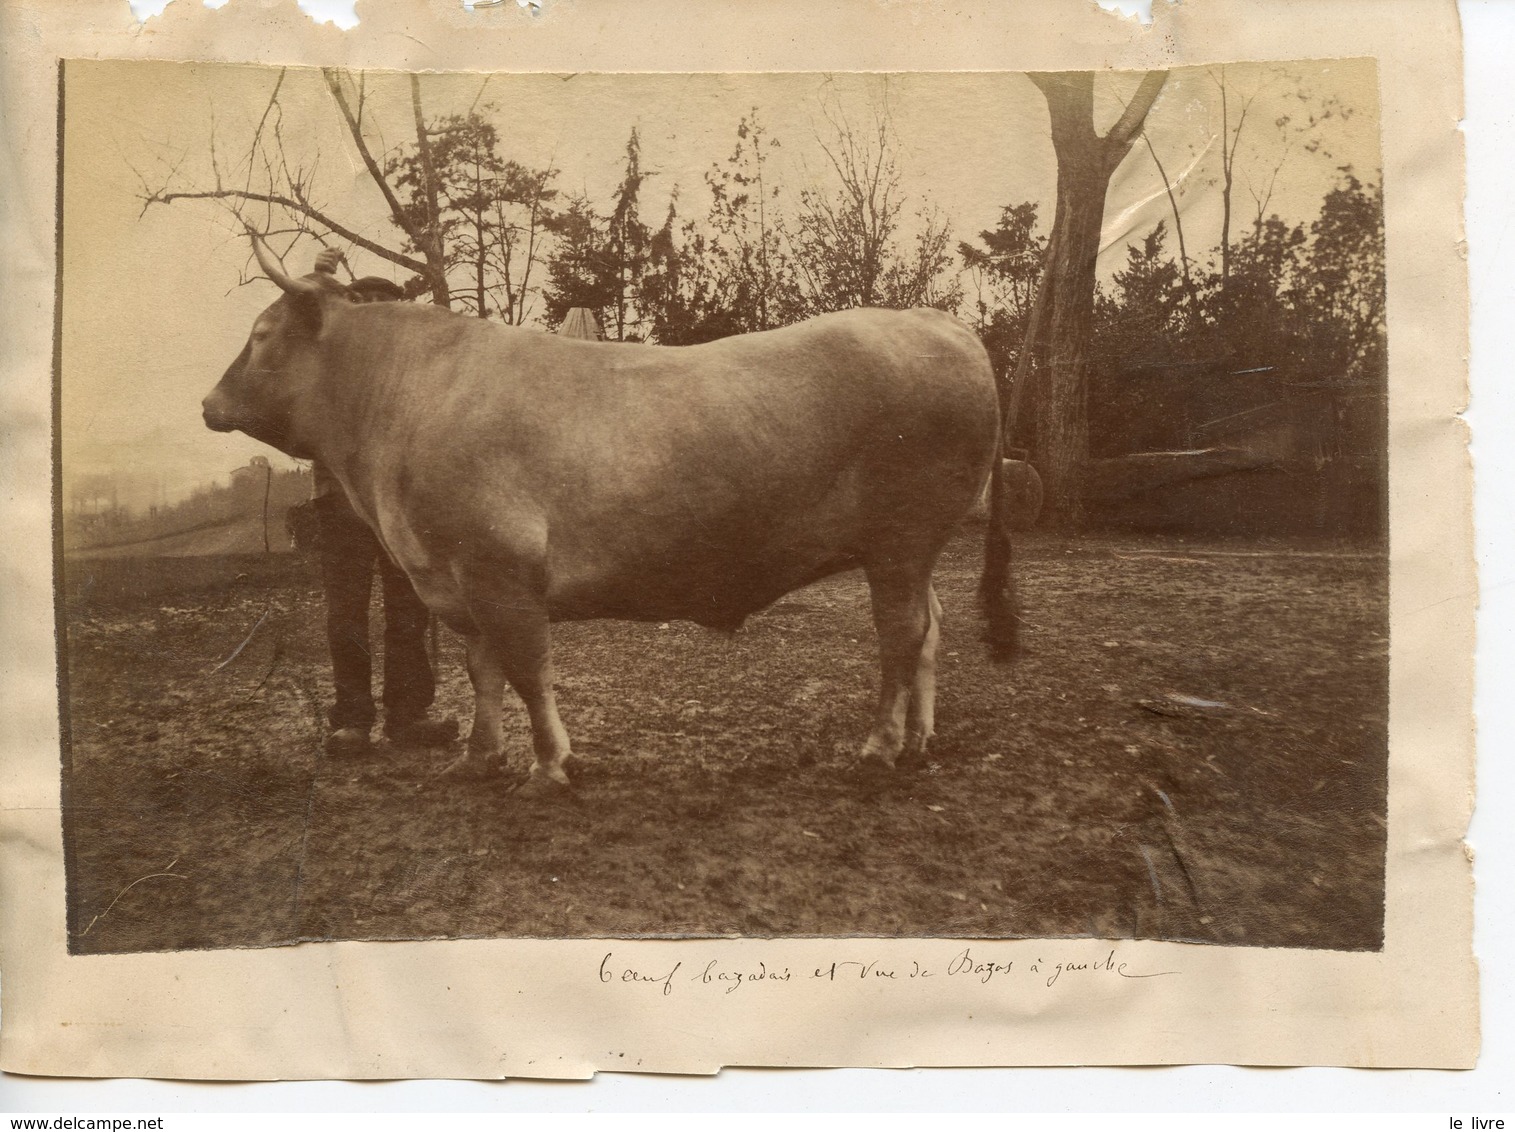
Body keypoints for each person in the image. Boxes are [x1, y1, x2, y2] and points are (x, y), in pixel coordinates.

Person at [309, 248, 458, 756]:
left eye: (383, 302)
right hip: (342, 506)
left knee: (411, 611)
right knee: (346, 614)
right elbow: (303, 309)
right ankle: (351, 721)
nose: (373, 310)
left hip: (398, 509)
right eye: (363, 302)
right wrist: (323, 273)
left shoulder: (414, 377)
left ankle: (408, 716)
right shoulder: (329, 364)